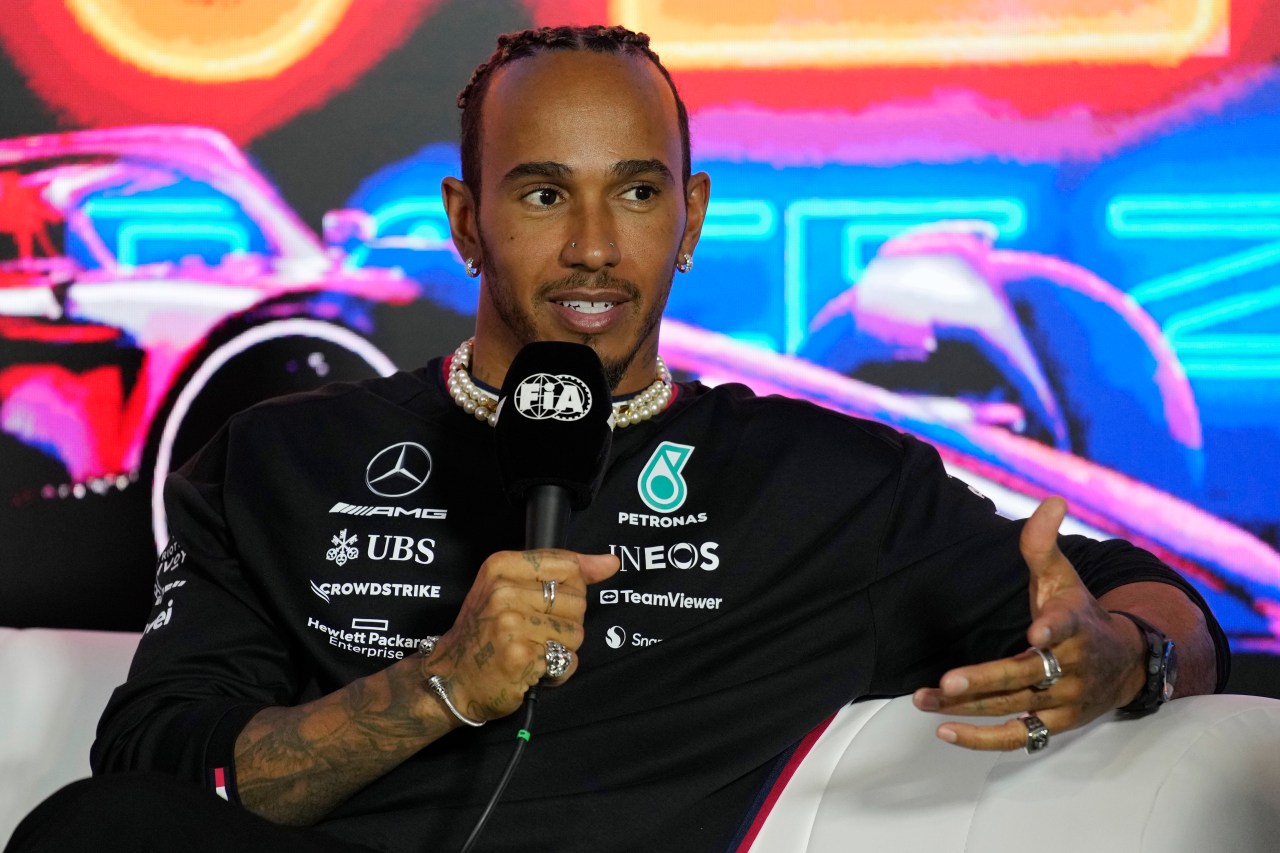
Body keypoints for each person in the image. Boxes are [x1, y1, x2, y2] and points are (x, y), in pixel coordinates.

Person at [7, 24, 1226, 853]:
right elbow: (162, 765)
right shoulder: (279, 458)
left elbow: (1142, 591)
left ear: (687, 218)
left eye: (636, 193)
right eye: (543, 194)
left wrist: (1127, 657)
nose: (593, 247)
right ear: (465, 220)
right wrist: (439, 685)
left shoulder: (826, 484)